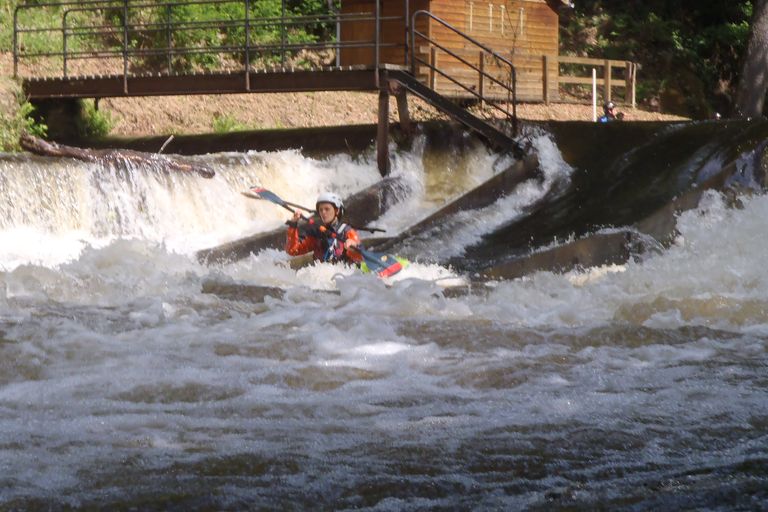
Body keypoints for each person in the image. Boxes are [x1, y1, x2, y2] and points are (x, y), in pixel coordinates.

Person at [285, 192, 362, 265]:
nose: (323, 212)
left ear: (337, 211)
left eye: (327, 209)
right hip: (323, 276)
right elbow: (293, 250)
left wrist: (353, 247)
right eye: (321, 210)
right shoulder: (317, 234)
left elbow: (360, 257)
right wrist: (293, 225)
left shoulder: (348, 232)